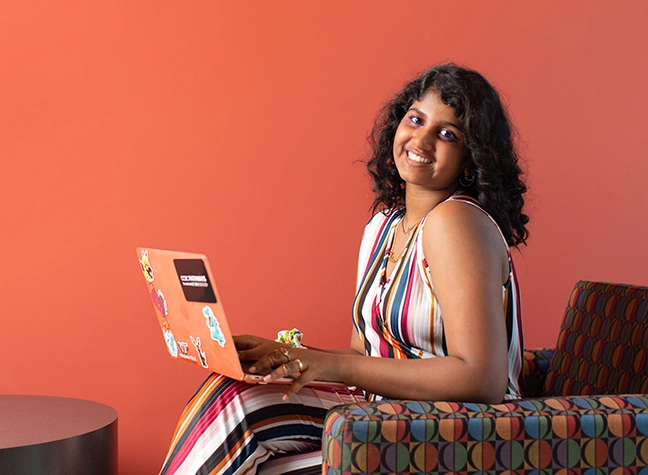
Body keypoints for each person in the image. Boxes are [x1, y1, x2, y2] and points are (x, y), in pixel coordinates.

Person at [159, 63, 529, 475]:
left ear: (470, 157)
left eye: (448, 134)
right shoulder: (384, 226)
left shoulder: (457, 224)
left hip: (463, 434)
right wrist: (284, 356)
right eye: (416, 119)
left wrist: (326, 366)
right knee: (234, 393)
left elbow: (483, 378)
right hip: (382, 415)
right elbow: (361, 353)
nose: (421, 139)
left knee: (241, 424)